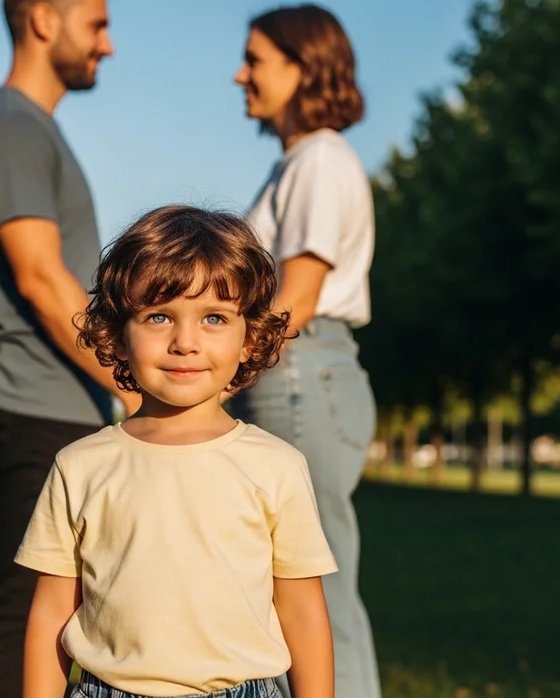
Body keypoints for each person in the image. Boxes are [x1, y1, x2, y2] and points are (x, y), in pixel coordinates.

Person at [15, 205, 339, 698]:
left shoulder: (276, 467)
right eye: (159, 317)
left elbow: (303, 612)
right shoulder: (80, 466)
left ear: (250, 337)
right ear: (119, 336)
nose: (185, 342)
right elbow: (51, 612)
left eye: (214, 317)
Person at [0, 1, 139, 697]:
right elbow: (39, 275)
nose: (109, 44)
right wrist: (132, 380)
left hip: (46, 400)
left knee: (13, 605)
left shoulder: (31, 130)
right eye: (96, 23)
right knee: (28, 615)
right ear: (41, 18)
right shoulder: (10, 127)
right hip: (33, 403)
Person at [228, 5, 383, 698]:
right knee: (308, 595)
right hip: (299, 376)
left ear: (303, 66)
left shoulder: (320, 158)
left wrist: (211, 375)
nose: (241, 74)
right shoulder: (293, 164)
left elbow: (299, 296)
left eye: (255, 60)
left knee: (313, 600)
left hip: (301, 377)